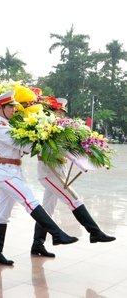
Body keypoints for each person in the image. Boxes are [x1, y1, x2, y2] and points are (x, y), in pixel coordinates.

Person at [0, 91, 77, 266]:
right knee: (30, 200)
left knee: (2, 215)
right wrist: (44, 134)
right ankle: (57, 234)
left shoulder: (6, 124)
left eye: (14, 106)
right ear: (0, 108)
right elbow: (26, 146)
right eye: (10, 107)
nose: (14, 110)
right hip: (4, 172)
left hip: (11, 171)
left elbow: (23, 148)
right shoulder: (1, 128)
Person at [31, 98, 115, 257]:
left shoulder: (59, 129)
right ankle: (94, 232)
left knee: (47, 209)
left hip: (57, 171)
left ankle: (37, 244)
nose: (61, 115)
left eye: (62, 113)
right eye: (59, 112)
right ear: (52, 112)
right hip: (49, 173)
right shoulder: (43, 127)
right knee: (74, 199)